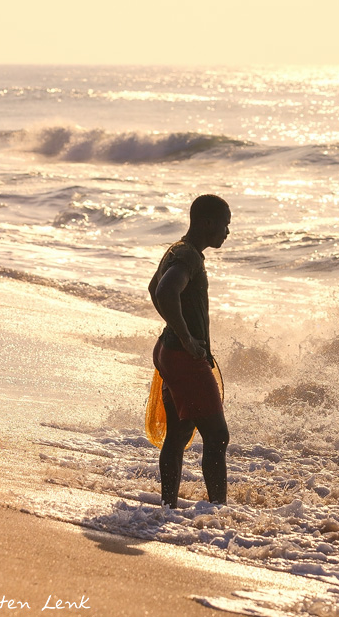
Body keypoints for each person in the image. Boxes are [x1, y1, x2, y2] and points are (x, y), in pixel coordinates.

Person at [149, 194, 231, 508]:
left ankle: (168, 505)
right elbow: (165, 290)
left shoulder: (177, 250)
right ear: (207, 222)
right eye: (224, 225)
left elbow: (153, 287)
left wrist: (175, 331)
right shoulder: (189, 257)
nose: (227, 232)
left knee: (179, 433)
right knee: (217, 436)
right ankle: (218, 512)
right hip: (184, 358)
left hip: (169, 352)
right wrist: (185, 337)